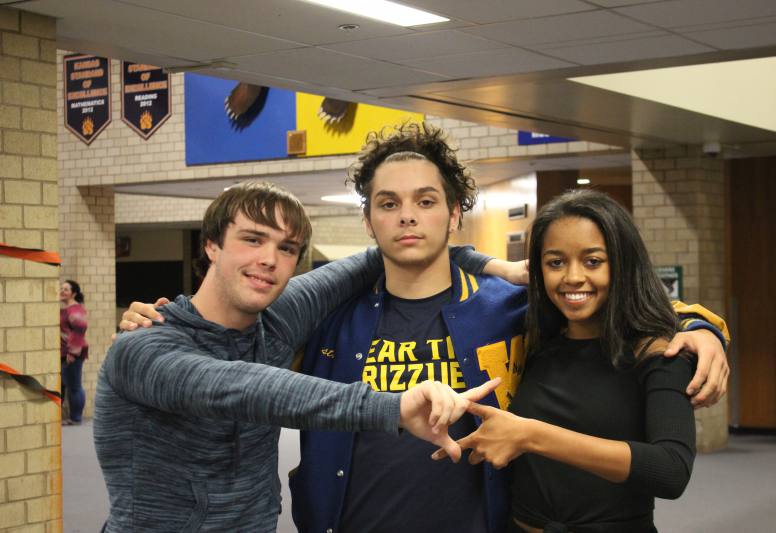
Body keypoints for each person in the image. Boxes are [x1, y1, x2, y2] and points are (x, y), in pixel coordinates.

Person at [122, 125, 729, 533]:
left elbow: (612, 307)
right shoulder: (324, 315)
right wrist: (161, 323)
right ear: (368, 219)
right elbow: (234, 345)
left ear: (455, 212)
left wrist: (702, 328)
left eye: (425, 201)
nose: (407, 215)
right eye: (388, 204)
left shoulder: (510, 308)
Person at [94, 181, 501, 533]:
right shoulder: (143, 346)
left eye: (287, 248)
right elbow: (243, 388)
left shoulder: (277, 320)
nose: (270, 259)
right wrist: (392, 406)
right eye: (253, 239)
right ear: (212, 245)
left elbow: (383, 255)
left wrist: (493, 265)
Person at [435, 189, 713, 532]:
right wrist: (498, 267)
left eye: (593, 261)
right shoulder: (535, 340)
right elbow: (436, 254)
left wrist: (531, 435)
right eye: (555, 262)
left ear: (622, 263)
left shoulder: (659, 352)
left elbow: (671, 471)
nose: (572, 277)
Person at [60, 279, 88, 425]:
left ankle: (76, 418)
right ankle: (65, 416)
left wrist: (73, 353)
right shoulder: (63, 309)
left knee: (74, 386)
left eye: (66, 289)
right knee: (64, 385)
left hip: (73, 353)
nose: (62, 291)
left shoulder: (76, 310)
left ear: (74, 293)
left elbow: (79, 332)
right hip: (62, 353)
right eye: (61, 288)